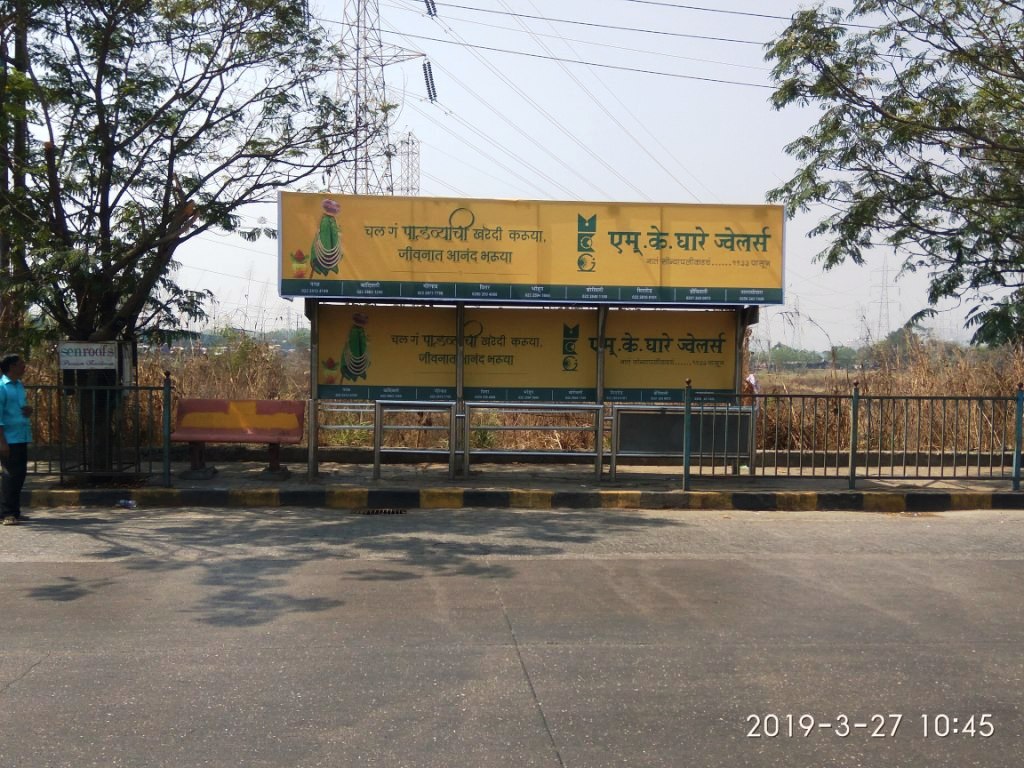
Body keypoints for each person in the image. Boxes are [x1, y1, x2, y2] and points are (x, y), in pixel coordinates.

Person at [0, 353, 33, 525]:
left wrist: (29, 410)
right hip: (8, 439)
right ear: (11, 367)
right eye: (21, 364)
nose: (24, 366)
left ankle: (15, 511)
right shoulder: (1, 387)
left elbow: (19, 408)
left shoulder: (19, 385)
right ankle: (6, 513)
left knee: (19, 476)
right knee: (10, 476)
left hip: (21, 436)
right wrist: (2, 442)